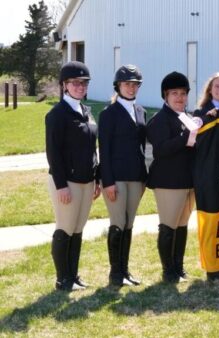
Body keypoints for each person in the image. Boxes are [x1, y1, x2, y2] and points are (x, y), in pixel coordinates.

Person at [45, 61, 101, 291]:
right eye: (75, 83)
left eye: (84, 82)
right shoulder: (57, 114)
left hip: (87, 181)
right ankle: (62, 279)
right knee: (66, 227)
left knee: (78, 229)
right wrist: (61, 186)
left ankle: (74, 275)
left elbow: (92, 148)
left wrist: (97, 178)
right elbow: (53, 153)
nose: (80, 86)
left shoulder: (86, 111)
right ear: (65, 85)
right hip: (66, 181)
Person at [147, 71, 198, 283]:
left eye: (183, 93)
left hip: (188, 181)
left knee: (182, 225)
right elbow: (160, 150)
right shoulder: (158, 120)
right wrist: (185, 138)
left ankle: (179, 267)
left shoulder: (188, 117)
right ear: (165, 96)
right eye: (175, 93)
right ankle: (168, 270)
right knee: (168, 225)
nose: (180, 97)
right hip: (168, 182)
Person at [98, 65, 147, 286]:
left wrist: (144, 178)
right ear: (118, 86)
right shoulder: (108, 113)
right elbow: (104, 149)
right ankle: (115, 273)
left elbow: (142, 147)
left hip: (136, 177)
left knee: (129, 224)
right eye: (127, 84)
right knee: (118, 222)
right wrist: (106, 181)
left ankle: (125, 271)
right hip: (116, 178)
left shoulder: (141, 111)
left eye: (135, 84)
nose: (131, 87)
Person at [193, 72, 219, 282]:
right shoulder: (200, 113)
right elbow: (194, 143)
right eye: (217, 86)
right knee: (210, 221)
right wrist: (205, 120)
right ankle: (211, 268)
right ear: (210, 90)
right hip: (208, 173)